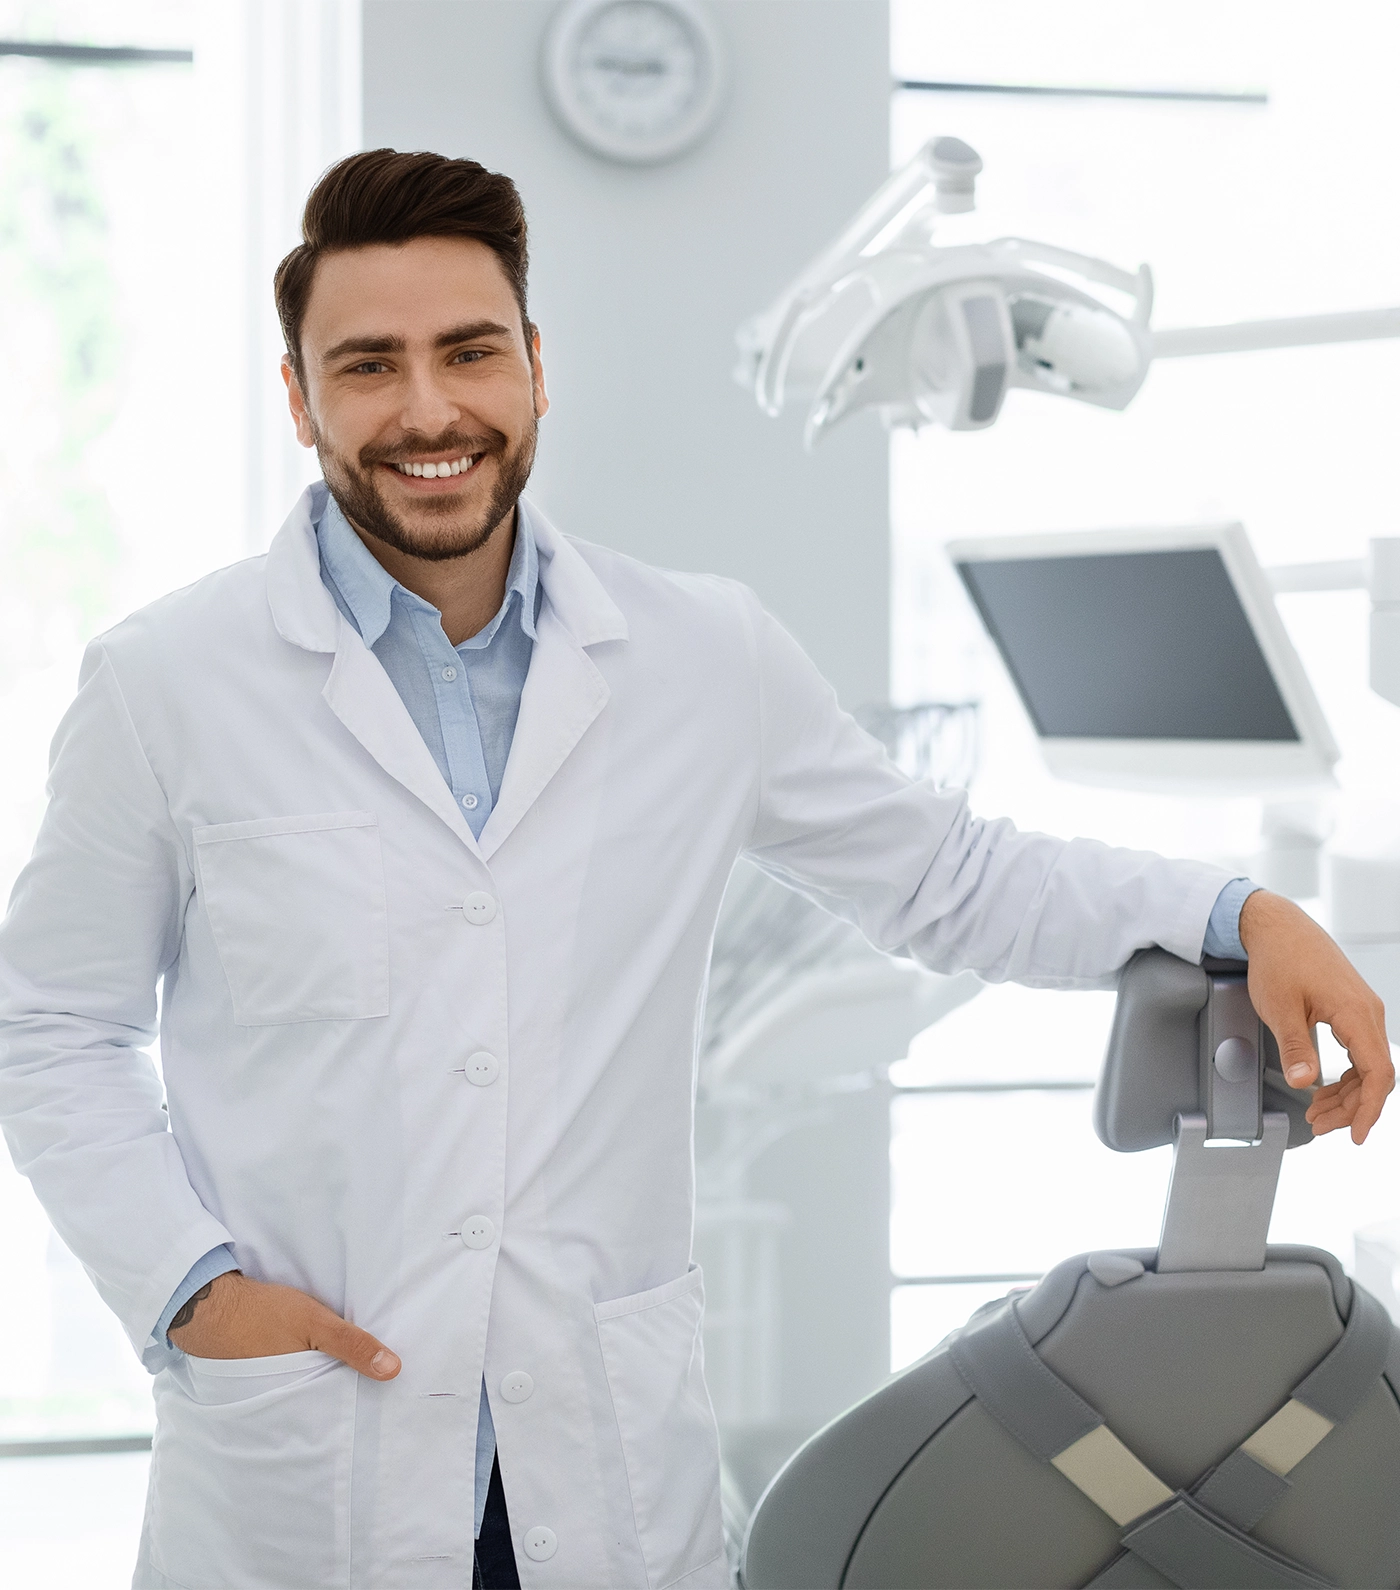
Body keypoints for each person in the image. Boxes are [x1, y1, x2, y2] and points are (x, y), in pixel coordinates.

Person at [0, 148, 1391, 1590]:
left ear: (537, 369)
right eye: (368, 365)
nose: (428, 410)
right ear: (299, 399)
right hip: (306, 1463)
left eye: (470, 351)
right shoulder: (168, 684)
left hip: (596, 1468)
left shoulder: (699, 654)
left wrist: (1237, 910)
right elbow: (50, 1025)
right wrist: (193, 1291)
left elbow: (949, 875)